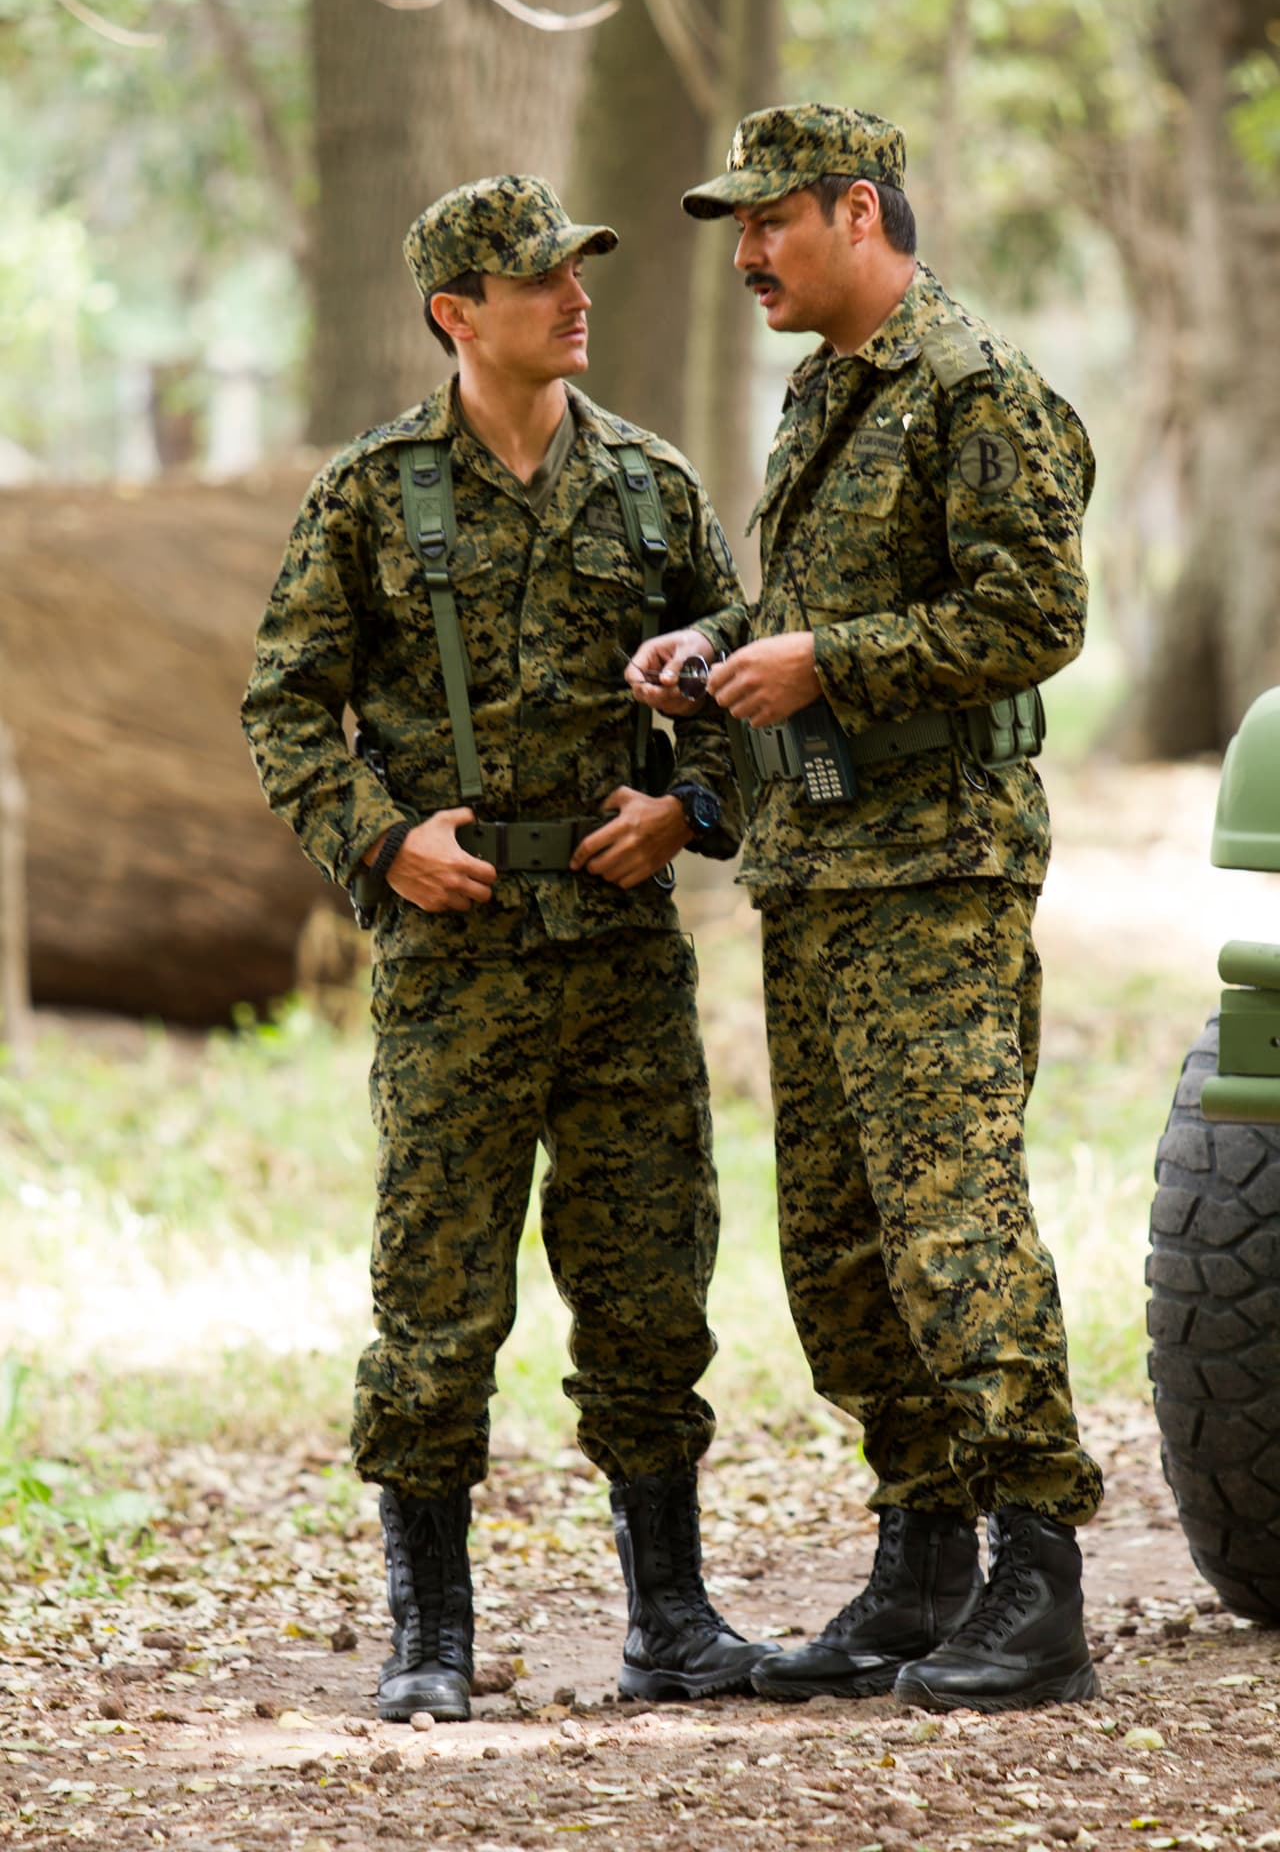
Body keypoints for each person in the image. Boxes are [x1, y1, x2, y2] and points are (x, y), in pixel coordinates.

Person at [242, 173, 777, 1722]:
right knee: (438, 1298)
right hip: (457, 965)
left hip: (618, 952)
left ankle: (671, 1620)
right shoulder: (371, 490)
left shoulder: (653, 484)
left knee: (651, 1284)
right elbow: (287, 704)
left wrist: (688, 808)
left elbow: (740, 672)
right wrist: (379, 837)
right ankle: (429, 1633)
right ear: (456, 314)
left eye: (579, 269)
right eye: (540, 277)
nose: (575, 294)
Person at [628, 104, 1105, 1714]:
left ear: (856, 211)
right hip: (816, 867)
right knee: (838, 1245)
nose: (747, 255)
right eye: (736, 230)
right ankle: (923, 1560)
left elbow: (1033, 613)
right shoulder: (827, 389)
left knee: (949, 1219)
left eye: (768, 223)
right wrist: (716, 647)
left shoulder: (978, 388)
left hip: (937, 871)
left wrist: (828, 663)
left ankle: (1040, 1573)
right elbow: (814, 611)